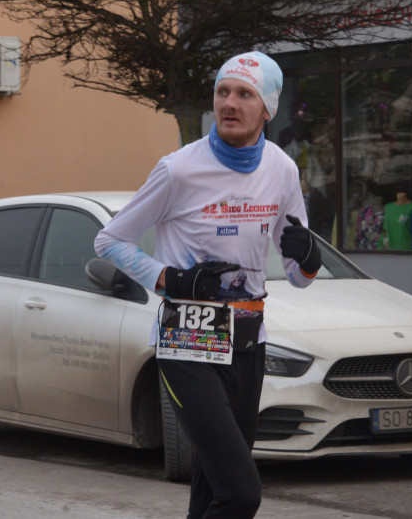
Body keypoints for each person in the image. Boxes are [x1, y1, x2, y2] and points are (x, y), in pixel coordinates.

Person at [93, 51, 319, 519]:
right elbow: (109, 240)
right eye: (222, 92)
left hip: (248, 339)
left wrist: (311, 258)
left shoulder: (282, 169)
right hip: (188, 337)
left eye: (244, 94)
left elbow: (297, 275)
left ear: (267, 109)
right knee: (241, 494)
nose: (229, 103)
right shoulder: (178, 169)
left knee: (213, 486)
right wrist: (170, 277)